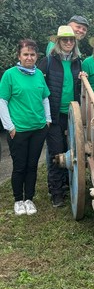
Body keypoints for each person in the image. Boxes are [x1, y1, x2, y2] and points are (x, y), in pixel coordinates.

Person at [0, 39, 51, 215]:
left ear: (36, 56)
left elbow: (45, 97)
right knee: (20, 166)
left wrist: (48, 120)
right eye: (25, 54)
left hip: (38, 128)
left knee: (32, 165)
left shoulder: (38, 75)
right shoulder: (10, 75)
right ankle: (17, 200)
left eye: (32, 54)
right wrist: (10, 126)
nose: (29, 57)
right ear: (19, 56)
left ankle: (29, 198)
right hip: (19, 130)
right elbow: (2, 101)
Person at [38, 25, 82, 207]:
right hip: (54, 115)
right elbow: (38, 86)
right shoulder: (48, 61)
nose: (68, 43)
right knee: (57, 152)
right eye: (65, 40)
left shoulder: (77, 62)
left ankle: (68, 185)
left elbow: (78, 87)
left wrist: (82, 77)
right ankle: (56, 192)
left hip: (72, 114)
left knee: (72, 151)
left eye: (71, 40)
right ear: (58, 42)